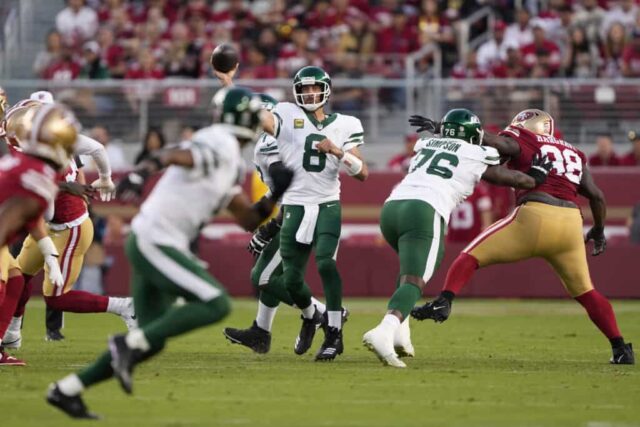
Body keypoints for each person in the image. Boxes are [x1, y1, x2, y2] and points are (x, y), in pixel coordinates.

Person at [46, 87, 293, 419]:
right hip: (156, 240)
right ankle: (123, 346)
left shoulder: (230, 158)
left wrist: (275, 194)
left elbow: (247, 218)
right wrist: (139, 172)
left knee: (151, 338)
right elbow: (175, 155)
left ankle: (67, 390)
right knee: (217, 303)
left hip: (158, 240)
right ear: (247, 119)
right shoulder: (220, 141)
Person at [411, 109, 635, 365]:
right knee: (586, 292)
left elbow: (500, 142)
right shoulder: (574, 152)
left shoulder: (526, 138)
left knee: (470, 255)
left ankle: (444, 301)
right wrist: (598, 229)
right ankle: (620, 347)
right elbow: (597, 196)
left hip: (536, 215)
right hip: (571, 224)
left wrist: (447, 128)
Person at [362, 108, 551, 367]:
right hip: (424, 210)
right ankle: (384, 331)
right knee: (416, 280)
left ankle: (400, 333)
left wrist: (443, 129)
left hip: (392, 209)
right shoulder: (476, 151)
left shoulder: (426, 142)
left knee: (408, 272)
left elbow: (453, 143)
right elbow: (510, 176)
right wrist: (536, 177)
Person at [217, 65, 369, 360]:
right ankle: (307, 317)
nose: (311, 93)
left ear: (326, 89)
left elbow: (362, 172)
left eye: (316, 88)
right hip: (296, 209)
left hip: (324, 204)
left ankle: (329, 324)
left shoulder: (346, 123)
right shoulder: (286, 115)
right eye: (305, 88)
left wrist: (339, 152)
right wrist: (229, 86)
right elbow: (254, 115)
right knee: (285, 280)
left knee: (323, 265)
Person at [2, 92, 129, 350]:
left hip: (67, 227)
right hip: (48, 222)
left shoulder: (33, 139)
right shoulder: (29, 139)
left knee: (50, 296)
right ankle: (11, 335)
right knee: (17, 279)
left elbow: (42, 211)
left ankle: (125, 307)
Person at [223, 94, 334, 354]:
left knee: (262, 276)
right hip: (309, 210)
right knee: (273, 275)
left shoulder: (268, 141)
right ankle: (261, 331)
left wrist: (270, 226)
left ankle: (323, 315)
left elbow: (288, 183)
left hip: (297, 213)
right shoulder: (287, 136)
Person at [0, 103, 79, 365]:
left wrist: (50, 256)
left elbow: (31, 219)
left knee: (14, 280)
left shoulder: (25, 162)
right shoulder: (38, 174)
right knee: (4, 283)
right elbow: (15, 215)